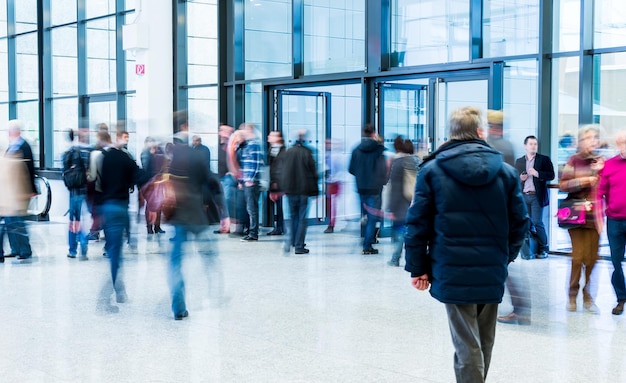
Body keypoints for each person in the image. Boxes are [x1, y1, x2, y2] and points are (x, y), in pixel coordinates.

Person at [405, 106, 528, 383]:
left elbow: (417, 224)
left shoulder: (432, 170)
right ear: (479, 132)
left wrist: (418, 267)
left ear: (451, 133)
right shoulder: (506, 172)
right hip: (492, 267)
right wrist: (504, 257)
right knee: (483, 339)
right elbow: (521, 221)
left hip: (451, 268)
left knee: (466, 342)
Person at [168, 112, 217, 320]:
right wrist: (219, 208)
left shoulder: (169, 155)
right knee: (209, 254)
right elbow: (210, 182)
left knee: (176, 262)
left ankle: (179, 307)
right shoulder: (196, 154)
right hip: (195, 214)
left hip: (177, 214)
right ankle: (214, 292)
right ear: (185, 126)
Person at [97, 133, 146, 313]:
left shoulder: (104, 157)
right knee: (116, 254)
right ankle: (107, 296)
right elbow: (140, 177)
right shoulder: (126, 158)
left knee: (113, 251)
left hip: (106, 208)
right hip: (120, 208)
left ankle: (120, 292)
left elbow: (97, 183)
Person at [559, 125, 605, 313]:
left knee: (592, 259)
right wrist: (584, 180)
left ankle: (588, 294)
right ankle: (572, 294)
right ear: (581, 141)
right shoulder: (574, 160)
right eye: (589, 137)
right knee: (578, 257)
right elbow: (563, 185)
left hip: (594, 216)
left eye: (595, 137)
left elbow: (605, 187)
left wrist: (599, 172)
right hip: (577, 215)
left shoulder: (602, 161)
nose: (593, 141)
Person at [596, 131, 626, 315]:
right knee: (616, 262)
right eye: (622, 143)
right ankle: (621, 298)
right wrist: (599, 219)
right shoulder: (609, 165)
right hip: (614, 221)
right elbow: (600, 194)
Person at [513, 135, 555, 260]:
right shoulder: (519, 161)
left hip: (536, 196)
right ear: (525, 146)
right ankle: (529, 250)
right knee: (527, 223)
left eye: (535, 144)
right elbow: (515, 178)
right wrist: (520, 179)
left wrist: (537, 174)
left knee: (537, 222)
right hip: (524, 196)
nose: (533, 146)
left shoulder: (544, 160)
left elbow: (551, 175)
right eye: (531, 144)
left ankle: (543, 248)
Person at [348, 124, 388, 255]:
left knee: (364, 216)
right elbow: (383, 169)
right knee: (373, 218)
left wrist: (361, 176)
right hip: (374, 189)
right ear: (374, 133)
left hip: (360, 188)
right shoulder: (379, 150)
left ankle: (365, 240)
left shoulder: (356, 150)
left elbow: (351, 169)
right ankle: (367, 245)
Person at [280, 130, 318, 254]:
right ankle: (299, 245)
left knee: (291, 217)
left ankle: (291, 241)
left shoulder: (288, 152)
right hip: (303, 190)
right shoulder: (308, 153)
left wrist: (283, 188)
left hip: (290, 190)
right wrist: (315, 191)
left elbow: (283, 172)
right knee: (302, 218)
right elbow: (313, 174)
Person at [4, 120, 37, 261]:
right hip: (11, 192)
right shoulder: (11, 147)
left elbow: (30, 170)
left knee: (18, 222)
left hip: (21, 192)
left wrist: (31, 189)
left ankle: (25, 250)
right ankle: (15, 249)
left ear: (14, 131)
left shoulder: (24, 147)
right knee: (10, 221)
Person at [386, 137, 419, 266]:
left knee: (400, 231)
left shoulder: (398, 163)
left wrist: (391, 207)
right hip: (415, 201)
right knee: (411, 231)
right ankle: (412, 260)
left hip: (401, 202)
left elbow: (394, 188)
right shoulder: (417, 161)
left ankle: (395, 259)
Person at [62, 129, 92, 260]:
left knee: (73, 221)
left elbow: (64, 171)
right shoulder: (90, 152)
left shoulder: (69, 152)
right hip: (86, 191)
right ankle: (84, 244)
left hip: (73, 191)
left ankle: (72, 249)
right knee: (84, 220)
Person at [239, 123, 263, 242]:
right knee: (249, 208)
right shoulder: (246, 146)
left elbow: (257, 163)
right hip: (246, 181)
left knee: (252, 208)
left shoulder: (254, 145)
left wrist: (251, 179)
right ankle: (250, 231)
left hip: (251, 182)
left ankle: (254, 233)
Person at [216, 124, 235, 234]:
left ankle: (228, 226)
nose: (220, 133)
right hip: (220, 177)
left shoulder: (232, 145)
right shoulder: (220, 146)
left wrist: (232, 171)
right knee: (222, 203)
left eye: (223, 130)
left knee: (227, 202)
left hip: (228, 178)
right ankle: (223, 226)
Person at [267, 131, 286, 236]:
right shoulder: (271, 149)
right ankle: (278, 227)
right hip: (273, 182)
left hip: (279, 183)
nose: (269, 137)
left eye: (272, 135)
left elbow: (279, 168)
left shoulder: (283, 151)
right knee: (275, 205)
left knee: (279, 205)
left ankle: (279, 227)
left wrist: (276, 182)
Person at [324, 138, 343, 234]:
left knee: (332, 204)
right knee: (330, 204)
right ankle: (331, 223)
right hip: (330, 182)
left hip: (334, 182)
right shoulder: (327, 155)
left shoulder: (336, 156)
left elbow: (339, 171)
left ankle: (331, 224)